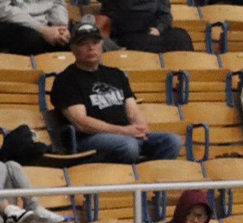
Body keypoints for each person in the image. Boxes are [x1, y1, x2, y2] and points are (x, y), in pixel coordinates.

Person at [47, 21, 183, 163]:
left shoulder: (116, 74)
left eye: (95, 42)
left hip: (124, 135)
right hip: (88, 138)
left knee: (172, 141)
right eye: (83, 43)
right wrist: (123, 131)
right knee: (128, 146)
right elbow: (81, 122)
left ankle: (147, 179)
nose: (90, 47)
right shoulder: (66, 80)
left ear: (102, 45)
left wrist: (142, 130)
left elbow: (133, 111)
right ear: (73, 49)